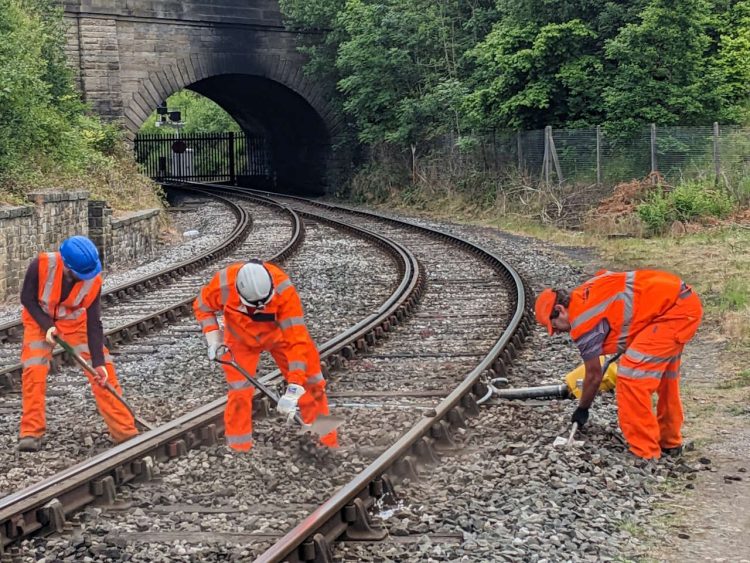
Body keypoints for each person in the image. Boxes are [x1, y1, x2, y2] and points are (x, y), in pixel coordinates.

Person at [534, 269, 702, 459]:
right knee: (665, 379)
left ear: (560, 310)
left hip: (672, 314)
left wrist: (582, 409)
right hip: (677, 303)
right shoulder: (583, 293)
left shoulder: (582, 322)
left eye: (554, 326)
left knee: (631, 379)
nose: (556, 332)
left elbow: (593, 376)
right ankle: (669, 442)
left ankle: (644, 452)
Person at [193, 259, 337, 452]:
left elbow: (296, 341)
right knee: (239, 392)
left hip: (280, 336)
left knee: (311, 385)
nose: (258, 310)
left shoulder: (284, 290)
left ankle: (326, 443)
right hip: (240, 338)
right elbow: (202, 307)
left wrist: (294, 389)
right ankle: (239, 448)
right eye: (253, 307)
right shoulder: (223, 283)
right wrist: (214, 339)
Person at [18, 236, 139, 451]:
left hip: (74, 323)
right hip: (40, 320)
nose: (83, 278)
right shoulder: (41, 265)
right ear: (66, 264)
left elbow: (94, 322)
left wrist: (99, 362)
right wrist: (47, 327)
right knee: (33, 370)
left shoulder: (94, 279)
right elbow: (27, 298)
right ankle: (31, 431)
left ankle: (125, 431)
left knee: (103, 374)